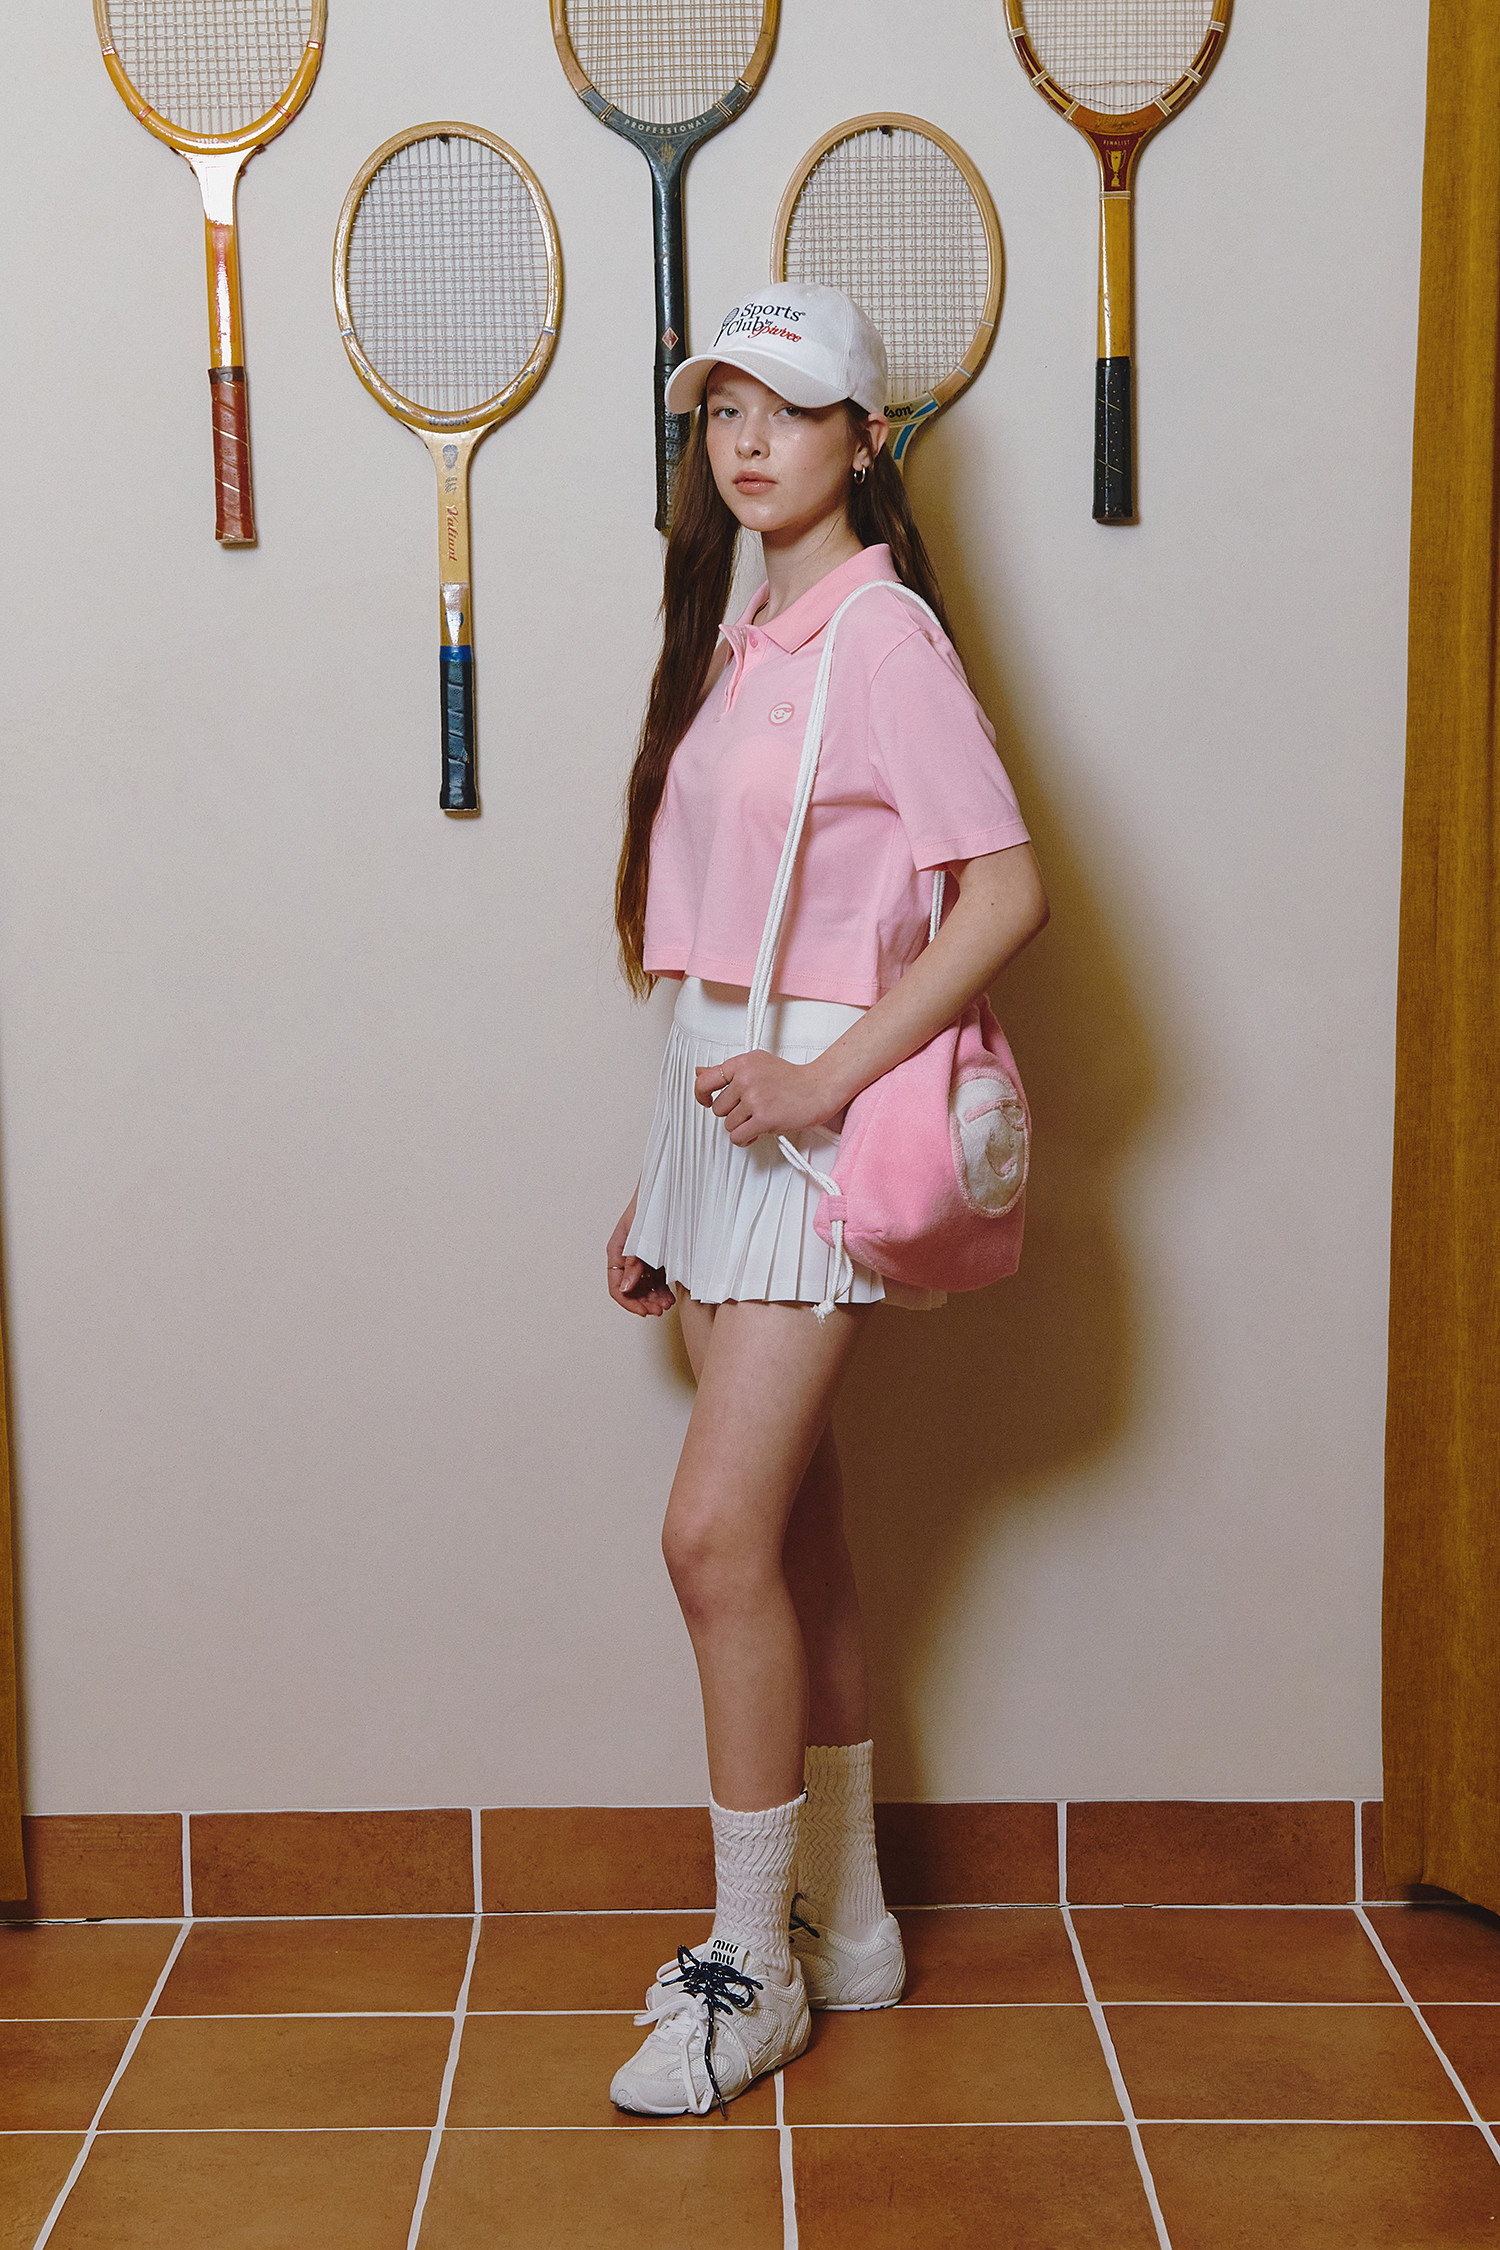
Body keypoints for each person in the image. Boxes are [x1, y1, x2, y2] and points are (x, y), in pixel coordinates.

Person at [605, 283, 1049, 2116]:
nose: (746, 441)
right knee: (794, 1537)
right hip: (721, 1127)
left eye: (785, 409)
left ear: (867, 439)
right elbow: (720, 954)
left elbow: (1005, 893)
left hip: (810, 1135)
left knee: (709, 1539)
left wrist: (820, 1084)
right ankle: (846, 1923)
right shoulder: (752, 631)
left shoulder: (883, 639)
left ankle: (751, 1967)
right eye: (724, 409)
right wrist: (660, 1174)